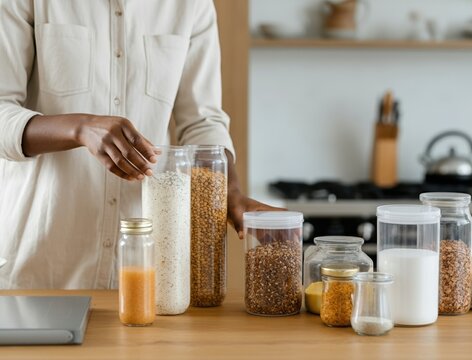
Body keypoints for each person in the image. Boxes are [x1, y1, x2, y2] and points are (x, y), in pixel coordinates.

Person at [0, 0, 275, 289]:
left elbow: (202, 121)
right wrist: (79, 127)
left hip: (146, 266)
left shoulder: (191, 5)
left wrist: (230, 193)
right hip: (40, 265)